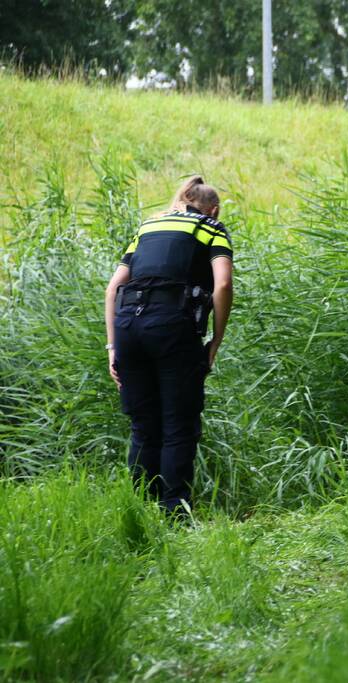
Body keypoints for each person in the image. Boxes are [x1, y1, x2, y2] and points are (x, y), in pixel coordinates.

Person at [104, 176, 234, 516]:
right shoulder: (212, 229)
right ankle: (175, 513)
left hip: (128, 327)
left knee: (143, 426)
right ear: (215, 209)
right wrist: (215, 340)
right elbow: (222, 285)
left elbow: (113, 288)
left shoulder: (149, 226)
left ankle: (139, 511)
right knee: (178, 423)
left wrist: (112, 348)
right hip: (173, 329)